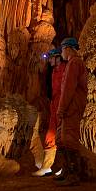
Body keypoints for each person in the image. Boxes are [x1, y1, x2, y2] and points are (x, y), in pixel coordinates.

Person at [55, 37, 88, 186]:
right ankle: (66, 169)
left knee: (69, 138)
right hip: (71, 106)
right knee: (61, 138)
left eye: (62, 49)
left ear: (68, 48)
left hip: (71, 107)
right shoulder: (73, 63)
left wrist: (61, 108)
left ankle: (74, 173)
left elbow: (68, 88)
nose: (61, 52)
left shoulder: (74, 63)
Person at [33, 48, 67, 177]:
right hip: (55, 104)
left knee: (62, 137)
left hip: (62, 104)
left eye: (51, 58)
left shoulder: (65, 69)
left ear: (58, 57)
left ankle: (63, 166)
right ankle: (47, 166)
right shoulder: (54, 71)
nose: (49, 61)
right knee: (51, 136)